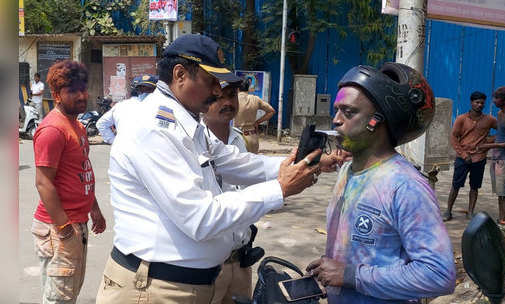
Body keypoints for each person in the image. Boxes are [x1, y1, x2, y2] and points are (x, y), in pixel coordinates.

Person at [95, 34, 337, 304]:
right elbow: (201, 218)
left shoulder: (186, 123)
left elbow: (235, 162)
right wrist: (279, 188)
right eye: (210, 81)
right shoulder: (153, 128)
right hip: (154, 288)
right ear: (180, 74)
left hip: (185, 285)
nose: (216, 90)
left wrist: (296, 163)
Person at [306, 63, 456, 303]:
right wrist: (330, 274)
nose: (335, 120)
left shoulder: (405, 186)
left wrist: (351, 276)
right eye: (336, 110)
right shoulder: (348, 170)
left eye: (349, 112)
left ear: (377, 122)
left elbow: (439, 275)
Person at [31, 60, 106, 304]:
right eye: (72, 91)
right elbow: (43, 182)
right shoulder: (53, 129)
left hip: (76, 222)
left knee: (69, 294)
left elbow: (80, 170)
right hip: (59, 227)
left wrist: (94, 209)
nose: (81, 95)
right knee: (59, 299)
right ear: (56, 95)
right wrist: (64, 230)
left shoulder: (77, 126)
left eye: (82, 88)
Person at [202, 80, 257, 304]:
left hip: (241, 261)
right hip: (209, 267)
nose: (227, 103)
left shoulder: (239, 140)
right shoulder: (193, 142)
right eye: (218, 97)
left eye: (231, 95)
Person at [443, 91, 497, 222]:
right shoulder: (461, 119)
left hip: (479, 158)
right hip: (463, 158)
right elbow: (454, 137)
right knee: (455, 185)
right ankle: (448, 211)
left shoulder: (489, 120)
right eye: (477, 102)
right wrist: (462, 154)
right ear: (471, 102)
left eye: (482, 103)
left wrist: (490, 141)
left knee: (475, 186)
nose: (479, 105)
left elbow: (503, 130)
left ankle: (470, 212)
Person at [478, 86, 505, 225]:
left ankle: (504, 221)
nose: (494, 101)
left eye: (496, 98)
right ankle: (501, 218)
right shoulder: (500, 114)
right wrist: (488, 140)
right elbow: (501, 135)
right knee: (499, 191)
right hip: (495, 158)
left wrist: (490, 146)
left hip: (504, 160)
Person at [96, 74, 158, 144]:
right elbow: (101, 124)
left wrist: (113, 141)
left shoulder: (121, 106)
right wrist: (113, 141)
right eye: (141, 89)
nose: (145, 92)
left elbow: (101, 124)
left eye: (149, 89)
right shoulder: (121, 106)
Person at [234, 79, 276, 153]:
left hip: (238, 137)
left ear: (237, 89)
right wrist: (257, 122)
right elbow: (271, 111)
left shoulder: (234, 99)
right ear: (248, 88)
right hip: (253, 137)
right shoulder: (255, 99)